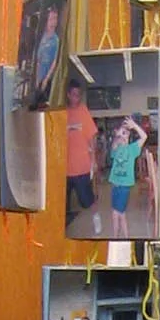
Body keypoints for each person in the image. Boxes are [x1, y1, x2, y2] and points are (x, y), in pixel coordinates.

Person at [106, 115, 150, 239]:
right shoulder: (116, 148)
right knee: (121, 213)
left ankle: (115, 237)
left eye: (126, 134)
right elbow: (114, 146)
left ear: (129, 137)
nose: (123, 137)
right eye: (121, 134)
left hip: (124, 187)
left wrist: (134, 126)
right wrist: (117, 138)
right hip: (115, 185)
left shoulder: (132, 149)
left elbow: (144, 137)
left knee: (116, 213)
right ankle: (125, 236)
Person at [64, 82, 96, 226]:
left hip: (82, 166)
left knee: (87, 203)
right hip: (64, 169)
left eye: (79, 95)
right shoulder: (62, 113)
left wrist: (94, 161)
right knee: (63, 206)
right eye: (75, 95)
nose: (77, 98)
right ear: (68, 95)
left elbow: (92, 137)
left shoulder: (83, 111)